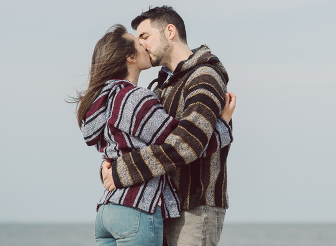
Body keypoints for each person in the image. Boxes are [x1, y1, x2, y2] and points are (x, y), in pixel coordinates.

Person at [75, 24, 236, 246]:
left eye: (145, 36)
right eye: (138, 40)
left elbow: (121, 148)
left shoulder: (104, 100)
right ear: (130, 57)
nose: (143, 44)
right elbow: (184, 144)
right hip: (138, 206)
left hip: (109, 209)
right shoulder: (135, 98)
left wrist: (112, 167)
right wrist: (224, 126)